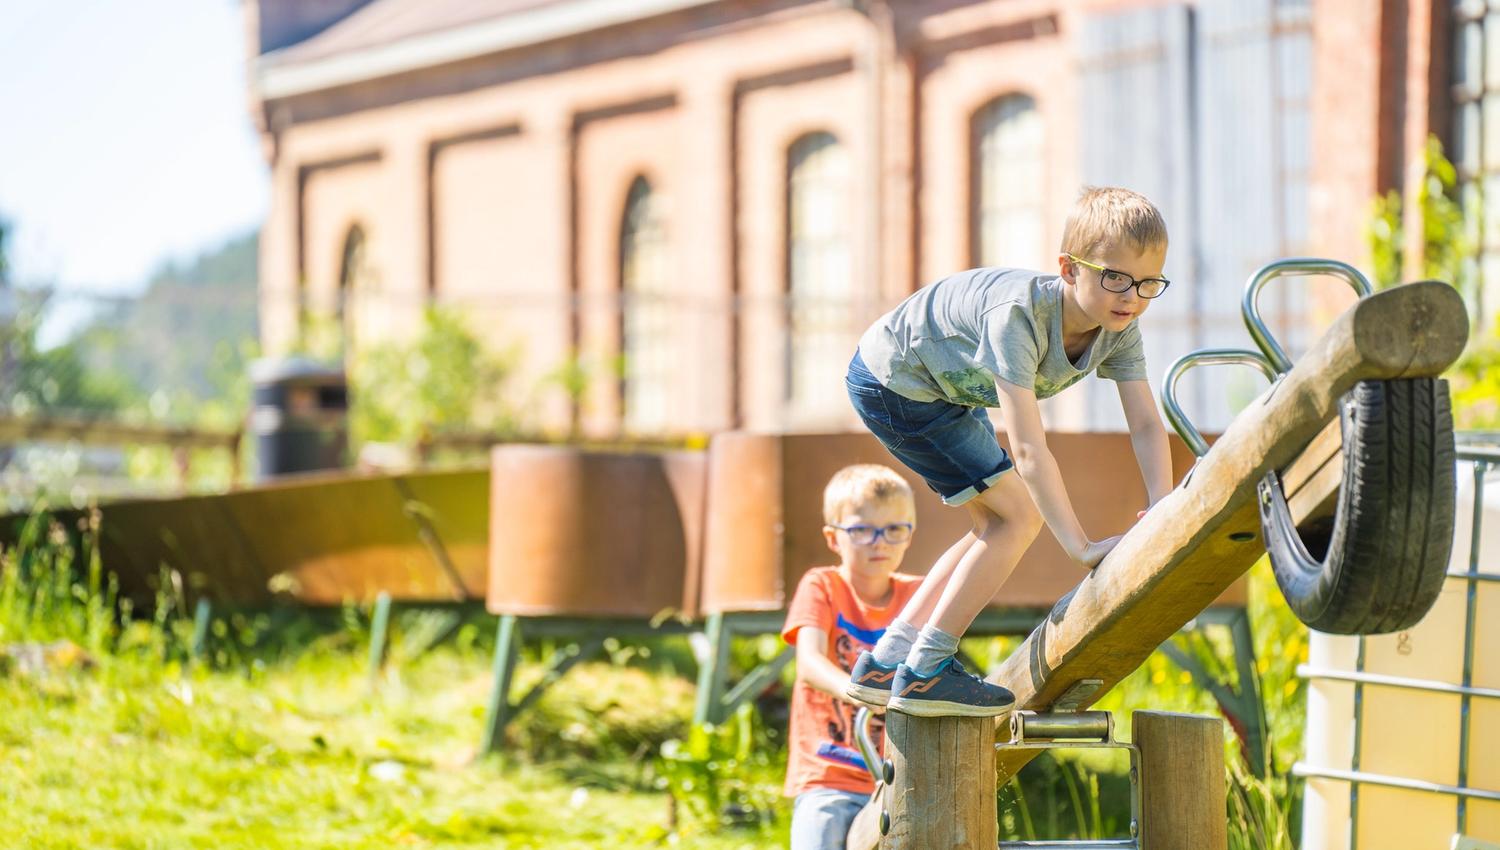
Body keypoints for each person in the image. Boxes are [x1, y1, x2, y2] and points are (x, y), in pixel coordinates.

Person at [842, 186, 1176, 718]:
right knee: (1018, 519)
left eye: (1147, 283)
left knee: (994, 523)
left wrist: (1163, 503)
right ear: (1069, 269)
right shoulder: (1017, 317)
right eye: (1114, 277)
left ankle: (888, 662)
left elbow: (1143, 421)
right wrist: (1082, 547)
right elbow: (1027, 447)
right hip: (895, 382)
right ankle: (926, 671)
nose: (1130, 296)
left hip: (941, 387)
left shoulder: (1119, 328)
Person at [782, 464, 924, 850]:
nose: (879, 542)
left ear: (910, 534)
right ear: (833, 537)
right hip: (829, 775)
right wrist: (862, 694)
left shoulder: (920, 596)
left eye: (894, 529)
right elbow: (809, 664)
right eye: (862, 530)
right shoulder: (822, 585)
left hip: (903, 776)